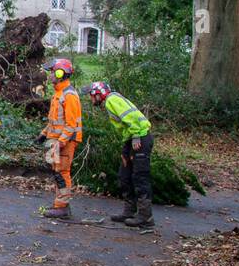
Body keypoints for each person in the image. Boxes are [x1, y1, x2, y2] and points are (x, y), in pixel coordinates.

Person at [85, 81, 155, 230]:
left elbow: (131, 117)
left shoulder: (112, 100)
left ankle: (145, 216)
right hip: (131, 139)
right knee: (125, 175)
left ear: (98, 94)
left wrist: (136, 135)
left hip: (140, 137)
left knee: (140, 177)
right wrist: (127, 145)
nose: (90, 99)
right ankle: (129, 211)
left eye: (91, 96)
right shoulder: (110, 101)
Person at [36, 58, 82, 220]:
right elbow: (54, 120)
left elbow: (71, 124)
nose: (50, 76)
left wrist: (60, 143)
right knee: (56, 172)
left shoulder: (69, 95)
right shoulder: (58, 93)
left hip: (65, 141)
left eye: (53, 72)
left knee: (62, 172)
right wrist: (43, 134)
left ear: (61, 73)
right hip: (55, 139)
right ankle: (59, 204)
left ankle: (62, 207)